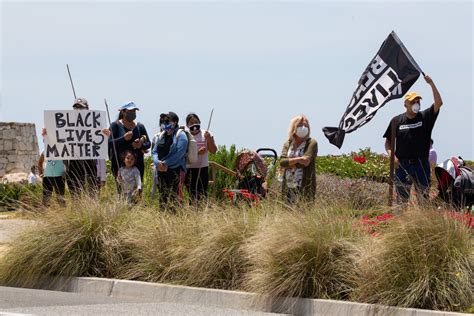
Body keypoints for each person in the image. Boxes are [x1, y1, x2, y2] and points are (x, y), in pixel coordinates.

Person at [383, 75, 443, 204]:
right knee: (401, 200)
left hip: (421, 164)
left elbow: (439, 103)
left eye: (418, 102)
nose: (416, 104)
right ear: (405, 104)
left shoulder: (425, 117)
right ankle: (401, 223)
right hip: (402, 165)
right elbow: (388, 142)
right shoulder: (396, 121)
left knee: (423, 200)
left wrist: (431, 83)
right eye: (413, 102)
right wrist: (392, 155)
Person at [108, 102, 151, 191]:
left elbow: (148, 144)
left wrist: (140, 145)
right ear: (123, 112)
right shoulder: (115, 125)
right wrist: (123, 138)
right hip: (119, 164)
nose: (133, 114)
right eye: (130, 111)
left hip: (137, 164)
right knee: (121, 189)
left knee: (137, 190)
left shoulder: (139, 126)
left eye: (134, 111)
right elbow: (109, 142)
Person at [152, 112, 188, 208]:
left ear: (175, 122)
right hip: (161, 170)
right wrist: (157, 163)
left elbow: (179, 154)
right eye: (164, 122)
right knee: (163, 195)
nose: (165, 124)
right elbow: (154, 151)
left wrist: (165, 163)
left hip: (176, 170)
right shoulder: (161, 136)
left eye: (168, 122)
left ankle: (177, 219)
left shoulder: (181, 136)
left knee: (175, 196)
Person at [279, 115, 318, 204]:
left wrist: (289, 162)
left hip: (304, 185)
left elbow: (305, 162)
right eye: (300, 125)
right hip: (288, 185)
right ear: (294, 127)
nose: (303, 128)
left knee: (303, 212)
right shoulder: (288, 143)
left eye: (306, 126)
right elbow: (282, 162)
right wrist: (299, 159)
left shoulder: (312, 143)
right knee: (287, 212)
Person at [66, 98, 99, 198]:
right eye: (76, 108)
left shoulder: (95, 124)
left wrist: (105, 134)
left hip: (89, 161)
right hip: (73, 162)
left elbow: (101, 143)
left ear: (87, 109)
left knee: (91, 190)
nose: (78, 110)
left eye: (81, 108)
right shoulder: (67, 124)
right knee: (75, 192)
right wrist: (47, 133)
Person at [184, 113, 217, 202]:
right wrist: (197, 153)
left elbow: (213, 151)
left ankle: (202, 213)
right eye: (191, 123)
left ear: (200, 122)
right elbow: (183, 153)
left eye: (196, 122)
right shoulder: (185, 136)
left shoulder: (206, 134)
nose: (194, 124)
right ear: (187, 125)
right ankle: (193, 213)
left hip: (202, 168)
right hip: (189, 169)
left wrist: (209, 138)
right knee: (192, 194)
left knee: (202, 193)